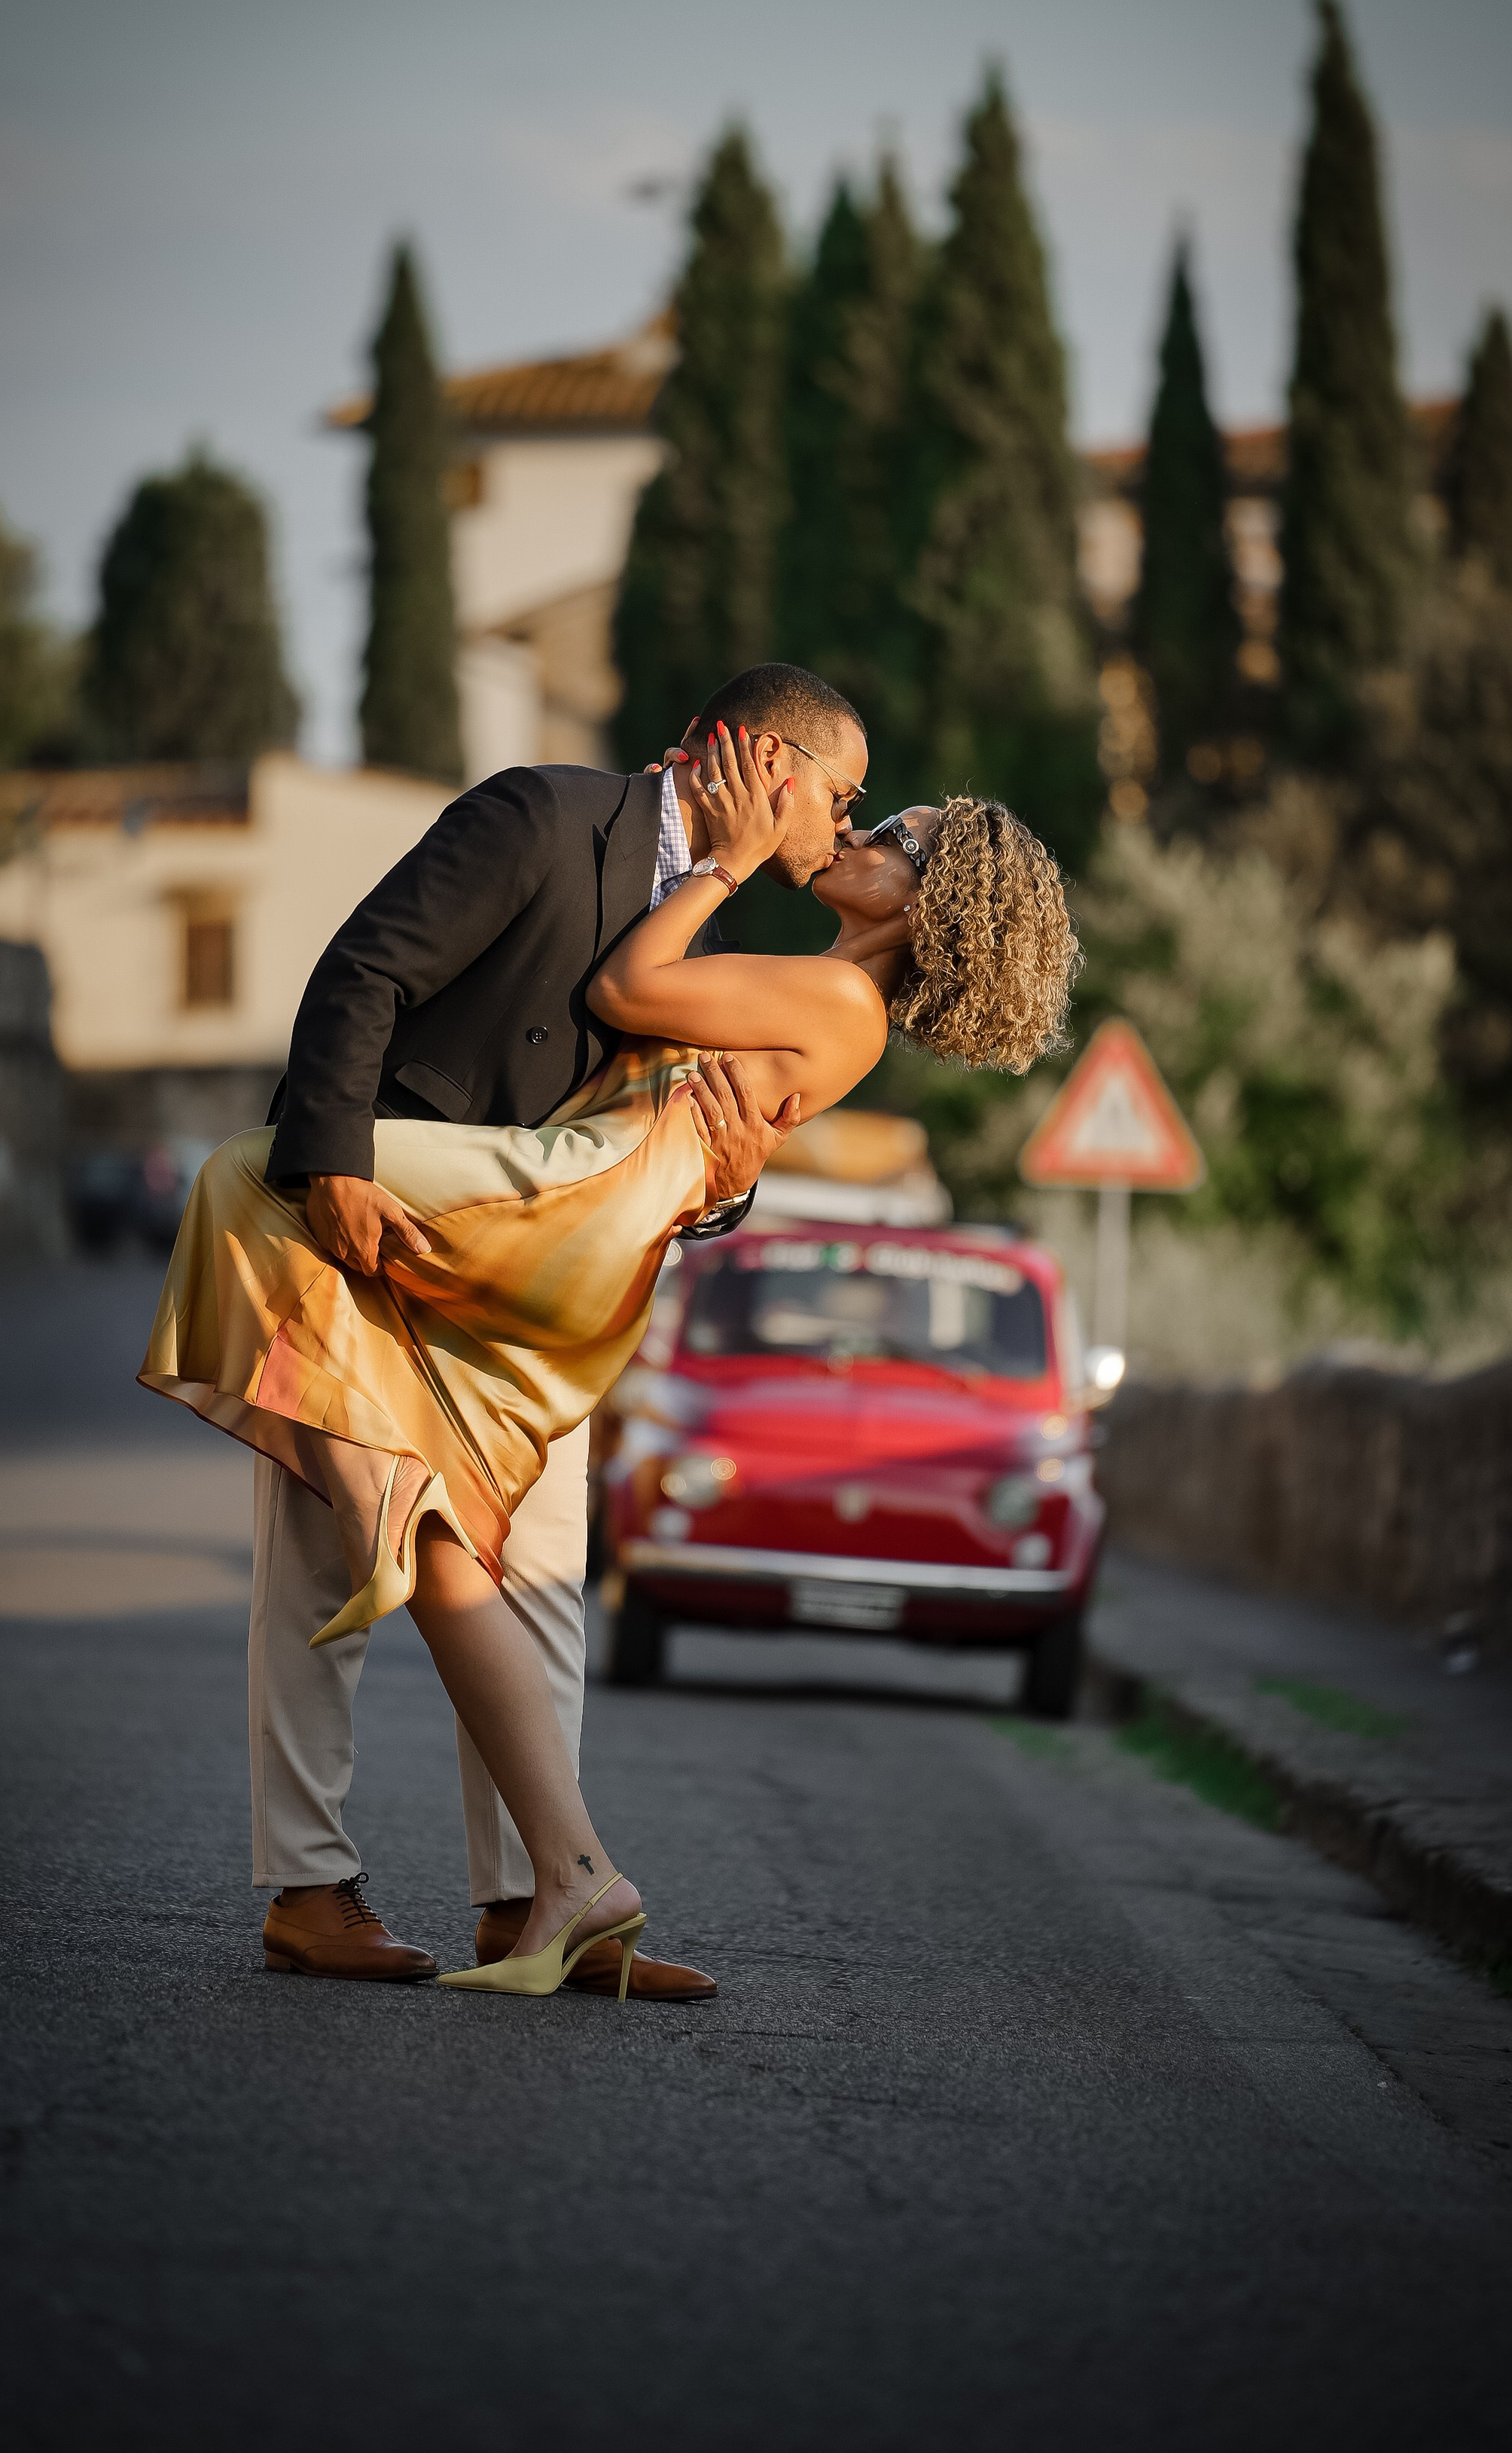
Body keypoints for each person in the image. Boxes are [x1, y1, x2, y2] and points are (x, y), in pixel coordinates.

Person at [143, 702, 1078, 2001]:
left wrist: (735, 1165)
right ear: (757, 754)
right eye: (848, 795)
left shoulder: (770, 941)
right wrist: (337, 1159)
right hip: (441, 1219)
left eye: (885, 822)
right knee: (330, 1538)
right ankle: (327, 1888)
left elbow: (661, 1056)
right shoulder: (544, 817)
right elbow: (367, 972)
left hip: (546, 1241)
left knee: (536, 1582)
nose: (853, 823)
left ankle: (541, 1897)